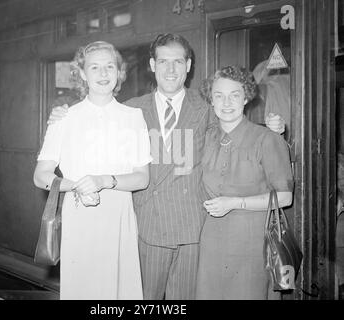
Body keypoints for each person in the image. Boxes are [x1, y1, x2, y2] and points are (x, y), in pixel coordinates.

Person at [48, 34, 286, 300]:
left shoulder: (208, 106)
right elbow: (96, 134)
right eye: (163, 62)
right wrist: (60, 116)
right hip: (145, 230)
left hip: (191, 231)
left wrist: (274, 129)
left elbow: (235, 135)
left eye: (177, 62)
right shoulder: (131, 111)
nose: (170, 70)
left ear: (188, 65)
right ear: (152, 64)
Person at [33, 41, 152, 300]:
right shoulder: (63, 118)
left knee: (118, 292)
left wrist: (103, 180)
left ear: (119, 73)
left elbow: (142, 178)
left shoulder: (133, 117)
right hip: (79, 215)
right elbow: (41, 175)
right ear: (83, 74)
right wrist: (75, 184)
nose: (103, 73)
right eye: (94, 67)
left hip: (118, 219)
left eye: (110, 66)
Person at [196, 66, 294, 299]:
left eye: (235, 95)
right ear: (211, 100)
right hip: (211, 241)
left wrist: (235, 202)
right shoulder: (205, 138)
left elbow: (285, 197)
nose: (226, 102)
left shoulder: (267, 139)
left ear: (247, 97)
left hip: (251, 243)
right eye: (219, 95)